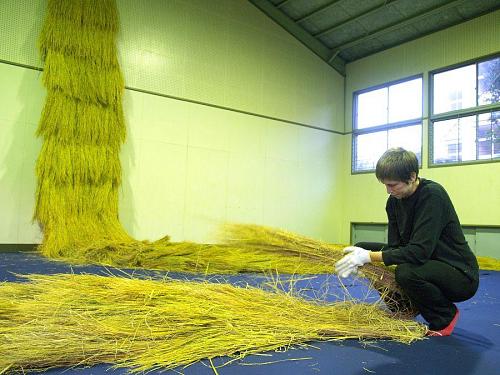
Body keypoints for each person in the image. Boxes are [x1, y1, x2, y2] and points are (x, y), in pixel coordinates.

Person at [335, 147, 479, 336]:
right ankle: (403, 307)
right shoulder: (393, 202)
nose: (388, 190)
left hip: (459, 274)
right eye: (385, 185)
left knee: (406, 272)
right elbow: (396, 247)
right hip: (426, 262)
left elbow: (419, 252)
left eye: (393, 185)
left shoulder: (432, 196)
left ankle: (444, 316)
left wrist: (368, 258)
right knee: (361, 247)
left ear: (412, 177)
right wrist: (364, 255)